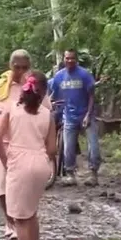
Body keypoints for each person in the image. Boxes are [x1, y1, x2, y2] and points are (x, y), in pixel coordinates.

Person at [0, 49, 51, 240]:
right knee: (2, 186)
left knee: (23, 187)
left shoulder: (35, 87)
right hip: (3, 142)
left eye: (24, 67)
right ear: (10, 65)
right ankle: (10, 223)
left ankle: (22, 223)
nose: (20, 71)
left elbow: (46, 110)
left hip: (26, 144)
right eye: (17, 67)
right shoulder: (1, 85)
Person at [0, 71, 56, 240]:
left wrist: (6, 161)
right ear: (43, 92)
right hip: (40, 164)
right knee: (31, 213)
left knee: (19, 219)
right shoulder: (48, 114)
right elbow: (52, 149)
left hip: (19, 163)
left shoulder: (11, 110)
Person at [49, 49, 101, 186]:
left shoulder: (84, 75)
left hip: (86, 115)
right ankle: (70, 174)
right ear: (64, 59)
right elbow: (53, 93)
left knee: (93, 146)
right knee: (68, 147)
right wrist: (49, 104)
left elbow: (91, 96)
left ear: (76, 59)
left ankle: (93, 174)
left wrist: (88, 115)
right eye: (67, 58)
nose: (69, 60)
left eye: (72, 58)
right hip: (69, 116)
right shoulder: (59, 76)